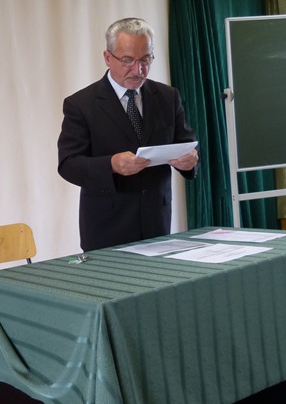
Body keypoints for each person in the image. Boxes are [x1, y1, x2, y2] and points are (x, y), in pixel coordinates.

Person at [57, 17, 199, 251]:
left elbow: (186, 144)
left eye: (145, 59)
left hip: (156, 222)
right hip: (107, 227)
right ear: (107, 58)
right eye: (128, 60)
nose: (138, 70)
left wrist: (190, 160)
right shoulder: (81, 104)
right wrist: (111, 164)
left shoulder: (167, 97)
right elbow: (68, 164)